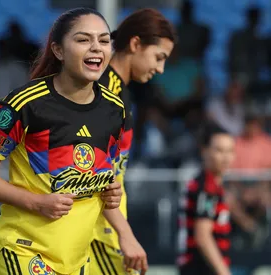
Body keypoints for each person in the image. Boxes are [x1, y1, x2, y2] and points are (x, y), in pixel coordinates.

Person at [0, 7, 133, 275]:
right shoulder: (23, 104)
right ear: (58, 50)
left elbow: (101, 176)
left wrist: (111, 194)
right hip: (23, 251)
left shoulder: (115, 108)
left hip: (76, 261)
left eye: (103, 40)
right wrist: (36, 203)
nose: (96, 48)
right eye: (83, 40)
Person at [92, 8, 176, 275]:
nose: (160, 69)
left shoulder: (121, 93)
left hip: (105, 226)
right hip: (94, 230)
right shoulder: (105, 92)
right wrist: (125, 234)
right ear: (136, 43)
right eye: (158, 57)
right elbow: (96, 172)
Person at [177, 124, 234, 275]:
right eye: (219, 150)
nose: (226, 157)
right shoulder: (207, 187)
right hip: (200, 268)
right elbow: (203, 235)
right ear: (204, 151)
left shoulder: (208, 184)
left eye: (230, 151)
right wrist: (224, 272)